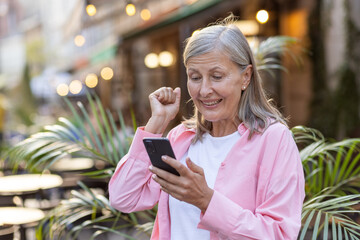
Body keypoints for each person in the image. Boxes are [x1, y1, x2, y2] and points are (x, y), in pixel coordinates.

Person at [109, 15, 305, 240]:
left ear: (246, 77)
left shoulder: (273, 140)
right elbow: (123, 198)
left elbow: (279, 234)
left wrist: (206, 200)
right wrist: (157, 124)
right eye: (195, 77)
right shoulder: (181, 139)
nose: (204, 90)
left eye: (217, 76)